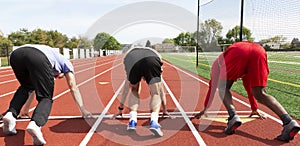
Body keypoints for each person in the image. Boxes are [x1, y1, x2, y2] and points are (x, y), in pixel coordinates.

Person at [194, 42, 300, 142]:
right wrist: (254, 108)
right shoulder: (238, 63)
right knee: (260, 93)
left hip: (237, 52)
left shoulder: (216, 65)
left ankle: (233, 117)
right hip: (259, 51)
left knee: (223, 88)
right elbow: (249, 87)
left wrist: (206, 108)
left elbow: (213, 87)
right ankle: (288, 122)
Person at [2, 44, 92, 145]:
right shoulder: (66, 63)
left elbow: (33, 88)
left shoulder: (51, 55)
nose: (57, 77)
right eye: (58, 76)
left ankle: (10, 114)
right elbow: (73, 87)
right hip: (37, 57)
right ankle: (35, 124)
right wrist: (83, 110)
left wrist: (26, 109)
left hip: (16, 55)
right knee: (46, 97)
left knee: (26, 86)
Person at [113, 47, 170, 137]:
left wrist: (121, 109)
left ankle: (132, 121)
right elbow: (161, 90)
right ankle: (154, 122)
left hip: (131, 58)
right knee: (155, 92)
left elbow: (125, 91)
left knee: (134, 90)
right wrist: (164, 109)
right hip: (151, 59)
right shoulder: (156, 57)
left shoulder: (130, 55)